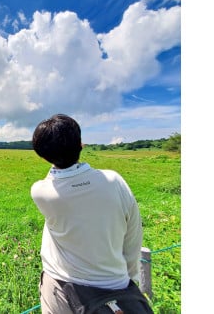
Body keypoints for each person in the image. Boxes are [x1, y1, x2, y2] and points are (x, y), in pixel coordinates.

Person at [30, 114, 151, 313]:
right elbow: (133, 234)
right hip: (117, 284)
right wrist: (130, 278)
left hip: (61, 287)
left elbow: (55, 175)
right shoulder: (114, 181)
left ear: (42, 156)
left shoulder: (40, 191)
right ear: (81, 144)